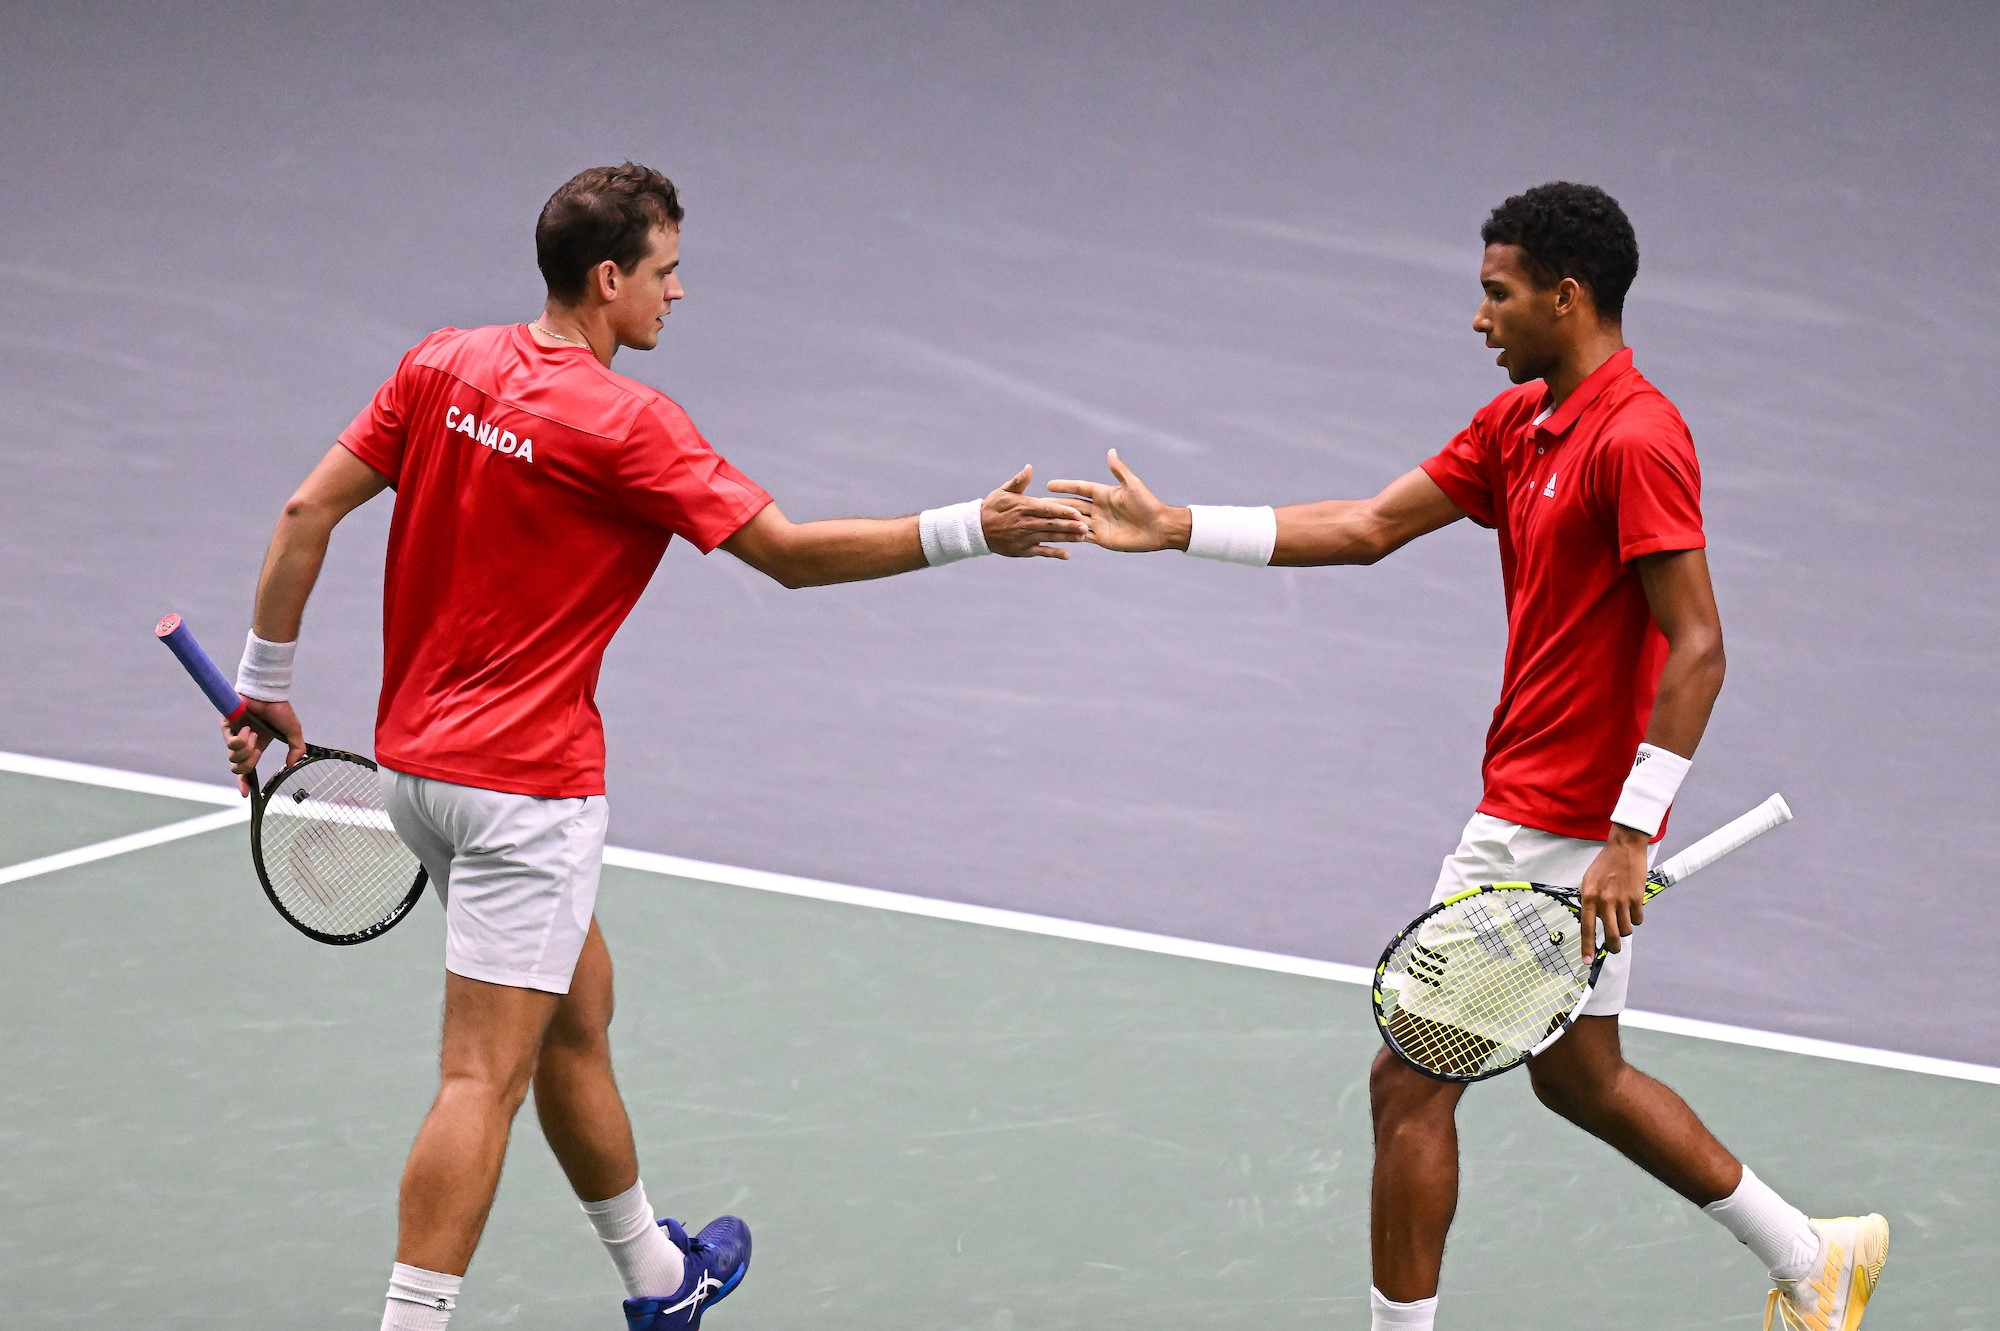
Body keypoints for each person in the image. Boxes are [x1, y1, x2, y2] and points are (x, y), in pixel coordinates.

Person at [221, 162, 1090, 1331]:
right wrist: (967, 530)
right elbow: (785, 552)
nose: (679, 295)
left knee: (579, 1009)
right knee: (482, 1078)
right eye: (667, 273)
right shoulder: (627, 426)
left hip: (419, 778)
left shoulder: (440, 364)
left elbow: (302, 513)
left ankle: (659, 1281)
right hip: (526, 796)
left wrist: (264, 680)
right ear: (608, 277)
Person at [1048, 182, 1886, 1331]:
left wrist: (1628, 835)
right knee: (1579, 1076)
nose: (1478, 318)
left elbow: (1698, 645)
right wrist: (1177, 524)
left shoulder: (1636, 439)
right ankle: (1810, 1254)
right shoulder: (1519, 424)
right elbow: (1366, 527)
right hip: (1541, 805)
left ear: (1564, 294)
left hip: (1557, 825)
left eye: (1495, 295)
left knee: (1406, 1083)